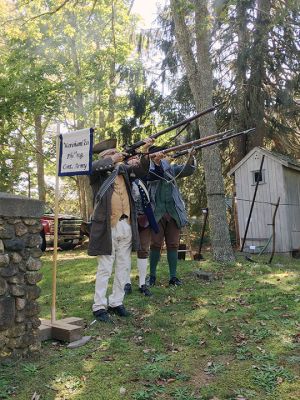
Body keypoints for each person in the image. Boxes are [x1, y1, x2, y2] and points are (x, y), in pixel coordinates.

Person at [88, 138, 152, 322]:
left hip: (126, 224)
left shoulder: (123, 170)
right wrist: (113, 159)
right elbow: (92, 167)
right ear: (105, 156)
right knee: (105, 268)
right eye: (111, 153)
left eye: (116, 153)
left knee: (123, 266)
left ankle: (116, 302)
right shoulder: (97, 173)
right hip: (108, 226)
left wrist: (145, 150)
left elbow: (142, 169)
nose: (117, 156)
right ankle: (99, 306)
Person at [146, 147, 196, 286]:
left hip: (173, 212)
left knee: (173, 244)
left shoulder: (171, 169)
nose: (163, 156)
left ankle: (173, 277)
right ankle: (152, 276)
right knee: (155, 244)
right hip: (157, 212)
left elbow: (188, 169)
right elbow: (152, 175)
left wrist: (190, 156)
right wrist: (158, 162)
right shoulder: (148, 168)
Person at [124, 155, 159, 297]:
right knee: (125, 251)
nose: (135, 160)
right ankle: (126, 282)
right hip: (127, 220)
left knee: (144, 250)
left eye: (137, 158)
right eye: (132, 158)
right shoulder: (122, 176)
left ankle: (142, 283)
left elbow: (157, 173)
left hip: (144, 220)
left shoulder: (143, 176)